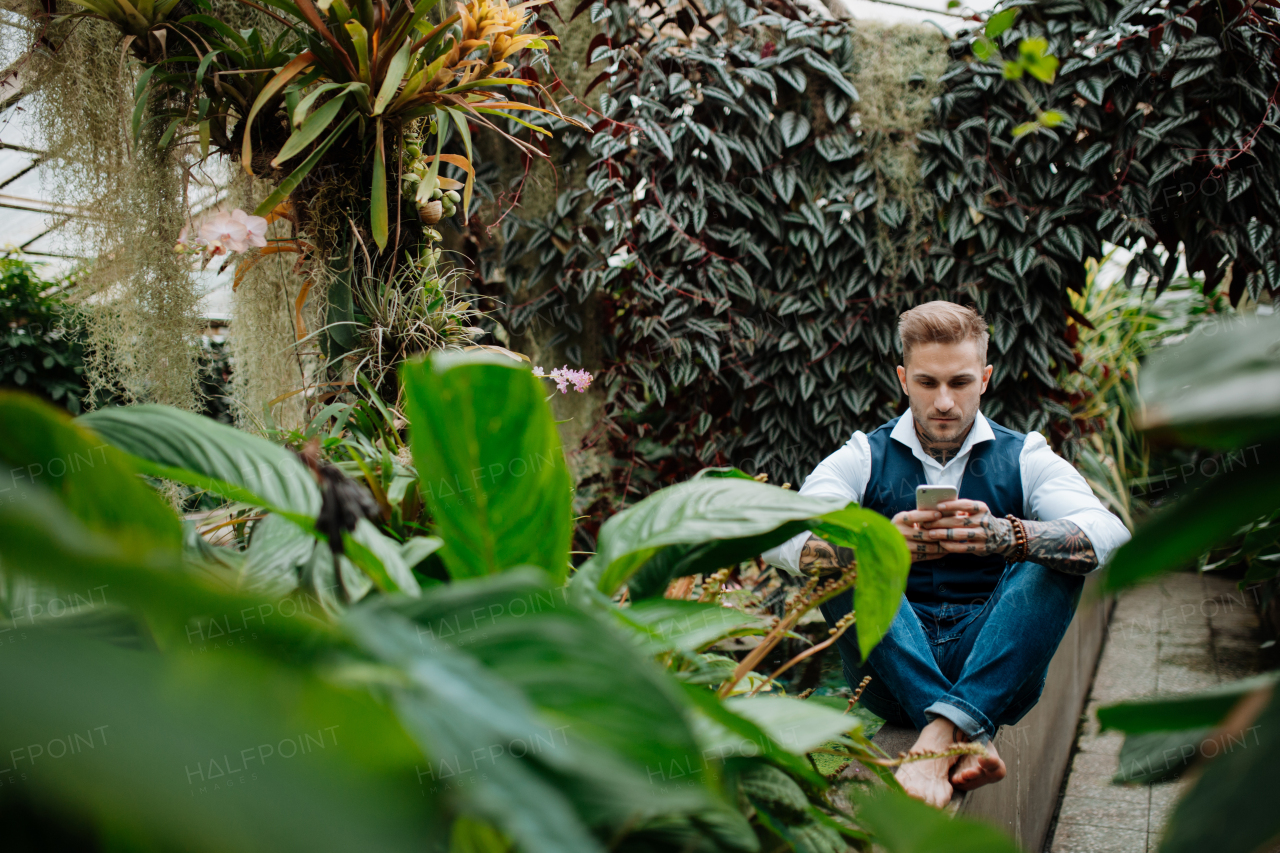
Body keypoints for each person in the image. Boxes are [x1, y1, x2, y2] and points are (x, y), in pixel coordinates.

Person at [763, 301, 1130, 808]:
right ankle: (967, 730)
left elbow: (1108, 534)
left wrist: (1009, 537)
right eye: (927, 382)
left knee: (1056, 557)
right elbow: (779, 533)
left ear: (984, 378)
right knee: (854, 558)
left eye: (959, 383)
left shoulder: (1025, 455)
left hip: (995, 663)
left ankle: (936, 741)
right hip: (887, 676)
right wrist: (880, 546)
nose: (943, 402)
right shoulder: (863, 456)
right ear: (903, 379)